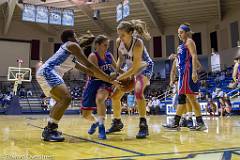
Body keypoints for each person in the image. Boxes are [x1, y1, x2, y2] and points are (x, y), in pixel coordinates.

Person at [36, 30, 119, 142]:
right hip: (48, 71)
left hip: (48, 73)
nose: (77, 38)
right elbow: (89, 65)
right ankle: (50, 130)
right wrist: (108, 78)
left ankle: (50, 129)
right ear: (70, 38)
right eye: (75, 36)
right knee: (66, 98)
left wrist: (110, 79)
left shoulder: (71, 56)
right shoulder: (72, 45)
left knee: (60, 101)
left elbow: (89, 71)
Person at [106, 20, 154, 139]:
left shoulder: (138, 44)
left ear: (131, 33)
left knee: (138, 92)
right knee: (115, 96)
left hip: (144, 67)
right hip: (129, 67)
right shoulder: (119, 42)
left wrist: (118, 77)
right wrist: (116, 72)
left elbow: (136, 68)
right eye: (119, 35)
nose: (120, 37)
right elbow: (120, 60)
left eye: (123, 35)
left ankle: (143, 125)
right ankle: (117, 122)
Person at [163, 23, 206, 131]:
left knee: (191, 98)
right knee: (181, 99)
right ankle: (176, 123)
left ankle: (200, 123)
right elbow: (182, 58)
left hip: (188, 72)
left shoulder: (189, 41)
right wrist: (176, 56)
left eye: (181, 32)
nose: (179, 35)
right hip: (182, 74)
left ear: (187, 32)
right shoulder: (181, 46)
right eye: (178, 33)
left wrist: (194, 72)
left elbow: (194, 56)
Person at [80, 35, 118, 140]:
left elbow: (117, 68)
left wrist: (127, 75)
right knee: (85, 115)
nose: (107, 47)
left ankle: (101, 126)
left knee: (100, 98)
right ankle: (96, 122)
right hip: (94, 82)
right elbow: (97, 74)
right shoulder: (93, 56)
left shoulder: (109, 55)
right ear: (97, 45)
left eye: (108, 45)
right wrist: (112, 79)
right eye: (105, 45)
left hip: (106, 83)